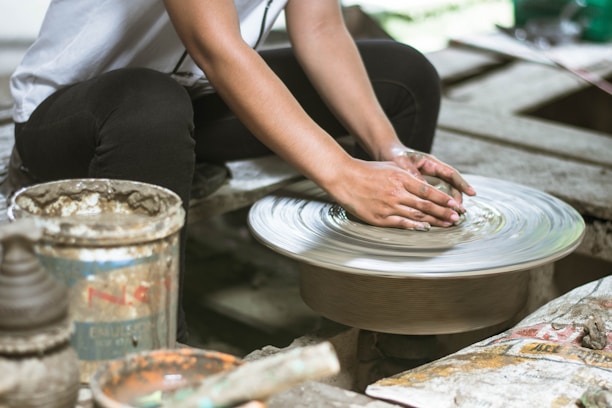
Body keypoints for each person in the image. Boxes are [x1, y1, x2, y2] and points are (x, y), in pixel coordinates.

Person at [9, 0, 476, 343]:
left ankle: (382, 325)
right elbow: (213, 44)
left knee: (405, 77)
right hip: (78, 121)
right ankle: (158, 349)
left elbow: (320, 28)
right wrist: (343, 174)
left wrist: (387, 150)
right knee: (151, 106)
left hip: (192, 100)